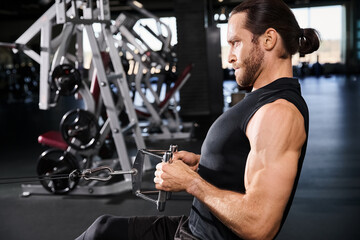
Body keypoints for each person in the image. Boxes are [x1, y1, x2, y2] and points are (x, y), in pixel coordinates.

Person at [76, 0, 320, 239]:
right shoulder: (264, 99)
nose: (230, 58)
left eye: (236, 43)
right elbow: (247, 162)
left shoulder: (278, 112)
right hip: (196, 226)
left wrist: (191, 182)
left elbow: (259, 226)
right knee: (103, 229)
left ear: (268, 39)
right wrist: (205, 163)